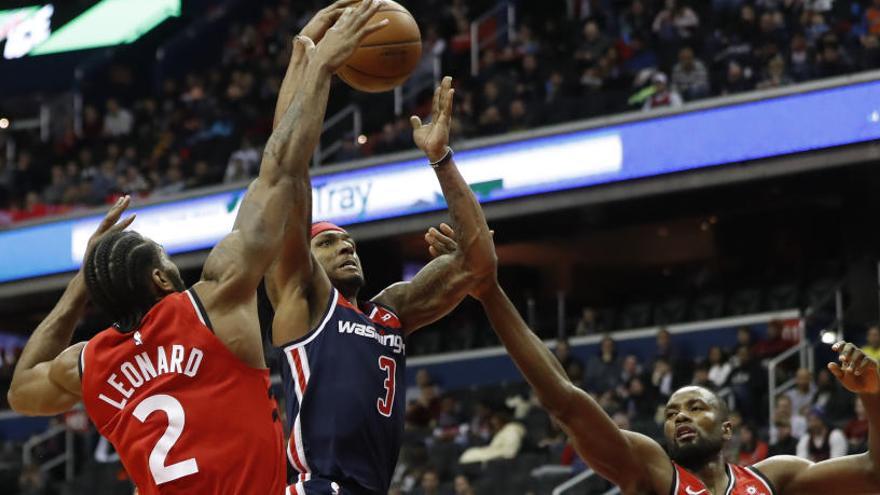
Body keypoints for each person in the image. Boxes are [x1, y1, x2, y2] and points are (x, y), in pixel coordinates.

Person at [6, 3, 379, 493]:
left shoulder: (88, 363)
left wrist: (80, 287)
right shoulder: (214, 301)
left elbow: (20, 390)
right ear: (161, 279)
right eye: (166, 257)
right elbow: (282, 169)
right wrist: (315, 66)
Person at [425, 225, 880, 495]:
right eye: (671, 412)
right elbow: (564, 401)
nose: (680, 416)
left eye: (696, 407)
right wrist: (489, 293)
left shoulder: (773, 479)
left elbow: (873, 473)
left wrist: (874, 397)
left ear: (727, 427)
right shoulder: (650, 470)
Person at [258, 72, 496, 495]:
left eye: (349, 242)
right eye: (328, 243)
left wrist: (442, 160)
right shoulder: (304, 301)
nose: (346, 248)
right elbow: (289, 172)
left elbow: (478, 262)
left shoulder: (390, 312)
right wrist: (317, 68)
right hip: (316, 486)